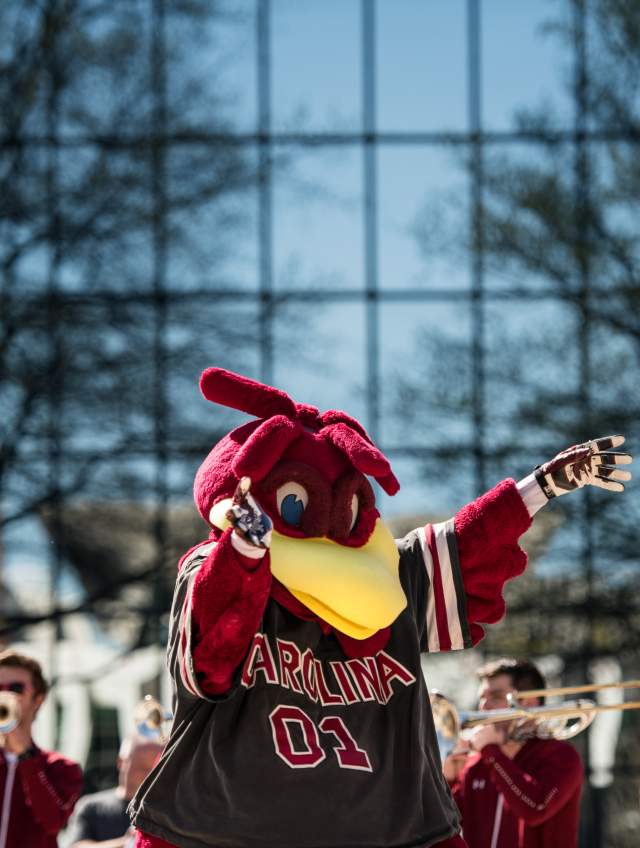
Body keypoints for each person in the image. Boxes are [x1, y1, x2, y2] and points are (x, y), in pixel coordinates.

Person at [127, 367, 631, 848]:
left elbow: (469, 542)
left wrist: (541, 485)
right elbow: (211, 654)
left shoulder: (388, 577)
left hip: (380, 830)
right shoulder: (214, 566)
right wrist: (243, 552)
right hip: (227, 831)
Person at [444, 657, 584, 848]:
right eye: (482, 698)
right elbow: (446, 828)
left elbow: (535, 808)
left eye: (495, 697)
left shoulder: (561, 756)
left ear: (529, 703)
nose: (483, 707)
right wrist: (447, 780)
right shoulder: (476, 762)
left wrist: (492, 753)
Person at [0, 649, 83, 848]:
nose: (4, 694)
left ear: (38, 699)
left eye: (16, 688)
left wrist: (26, 758)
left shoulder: (63, 768)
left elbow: (52, 822)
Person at [66, 735, 163, 848]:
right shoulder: (90, 806)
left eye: (155, 769)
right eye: (143, 767)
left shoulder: (162, 811)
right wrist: (128, 843)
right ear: (121, 762)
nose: (150, 775)